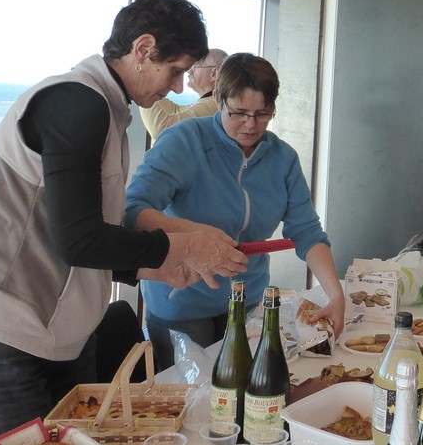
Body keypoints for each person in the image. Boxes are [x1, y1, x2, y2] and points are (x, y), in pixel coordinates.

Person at [0, 0, 247, 445]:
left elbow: (81, 239)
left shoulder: (106, 110)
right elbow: (78, 240)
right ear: (143, 49)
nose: (178, 87)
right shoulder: (76, 100)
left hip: (60, 338)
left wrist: (155, 268)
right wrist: (183, 247)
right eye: (175, 70)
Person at [124, 52, 346, 370]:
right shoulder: (184, 141)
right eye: (239, 112)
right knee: (195, 397)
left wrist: (334, 293)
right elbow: (134, 211)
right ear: (218, 99)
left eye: (262, 114)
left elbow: (307, 232)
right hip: (181, 302)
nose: (250, 125)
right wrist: (198, 236)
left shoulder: (282, 158)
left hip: (248, 302)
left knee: (248, 390)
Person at [140, 47, 227, 140]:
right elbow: (175, 111)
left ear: (214, 74)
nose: (189, 71)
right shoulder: (210, 103)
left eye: (197, 64)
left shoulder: (213, 107)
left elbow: (162, 130)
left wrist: (143, 86)